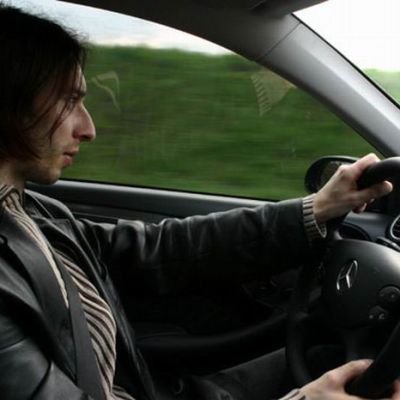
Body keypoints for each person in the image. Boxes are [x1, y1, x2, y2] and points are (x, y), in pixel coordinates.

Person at [0, 4, 397, 400]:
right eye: (68, 101)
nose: (89, 129)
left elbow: (159, 250)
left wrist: (318, 208)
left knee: (326, 356)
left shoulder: (37, 213)